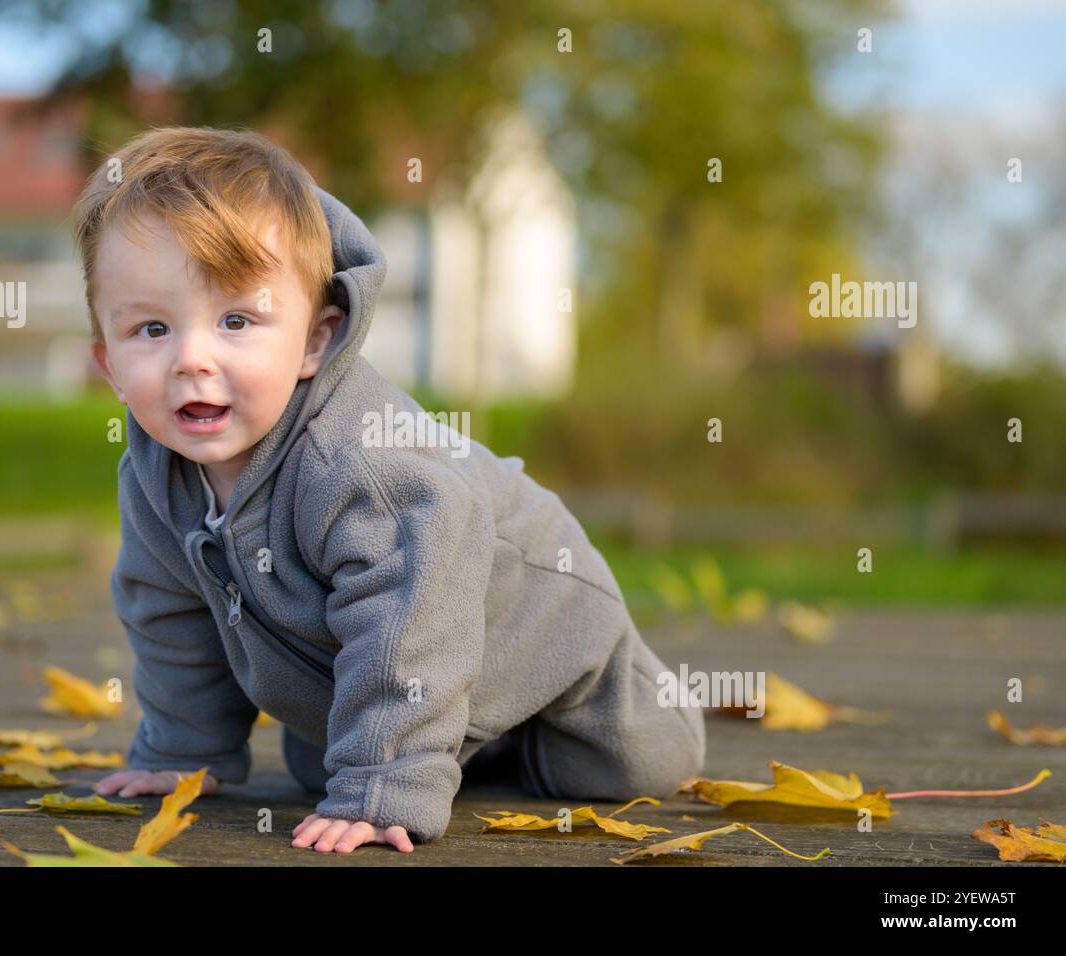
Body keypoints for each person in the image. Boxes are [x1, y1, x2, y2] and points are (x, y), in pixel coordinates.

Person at [81, 126, 705, 853]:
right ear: (109, 364)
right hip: (361, 670)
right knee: (319, 763)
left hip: (537, 632)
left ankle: (461, 746)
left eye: (236, 321)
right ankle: (437, 747)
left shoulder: (358, 464)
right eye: (152, 329)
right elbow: (169, 615)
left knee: (637, 761)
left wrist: (382, 785)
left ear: (316, 340)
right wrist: (182, 753)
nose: (192, 358)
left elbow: (411, 617)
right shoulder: (156, 477)